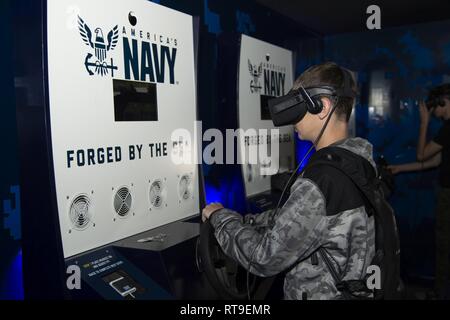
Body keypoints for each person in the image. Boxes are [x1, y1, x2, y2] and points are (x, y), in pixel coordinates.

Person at [202, 62, 376, 300]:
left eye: (298, 105)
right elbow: (304, 219)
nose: (292, 120)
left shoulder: (322, 179)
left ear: (321, 106)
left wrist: (219, 218)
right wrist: (247, 220)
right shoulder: (358, 160)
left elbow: (264, 258)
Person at [388, 84, 450, 298]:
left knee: (443, 247)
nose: (434, 111)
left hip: (448, 196)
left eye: (436, 105)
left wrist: (424, 123)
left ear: (444, 102)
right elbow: (436, 161)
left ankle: (440, 294)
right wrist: (399, 169)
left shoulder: (448, 128)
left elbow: (422, 155)